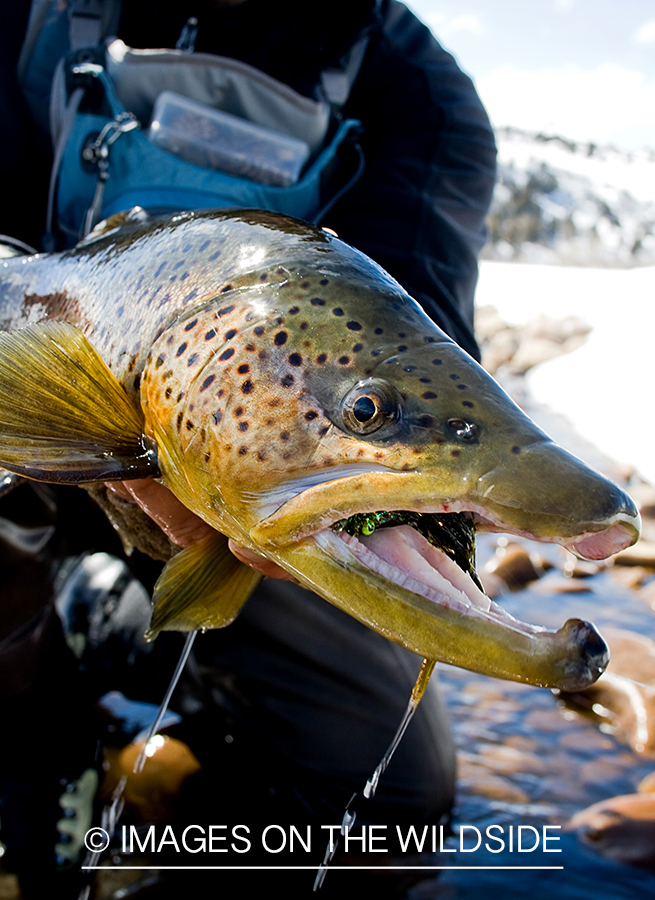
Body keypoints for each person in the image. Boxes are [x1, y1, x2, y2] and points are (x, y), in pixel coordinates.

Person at [0, 1, 497, 895]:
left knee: (387, 816)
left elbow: (419, 349)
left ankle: (106, 617)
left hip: (260, 465)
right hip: (23, 405)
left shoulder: (418, 93)